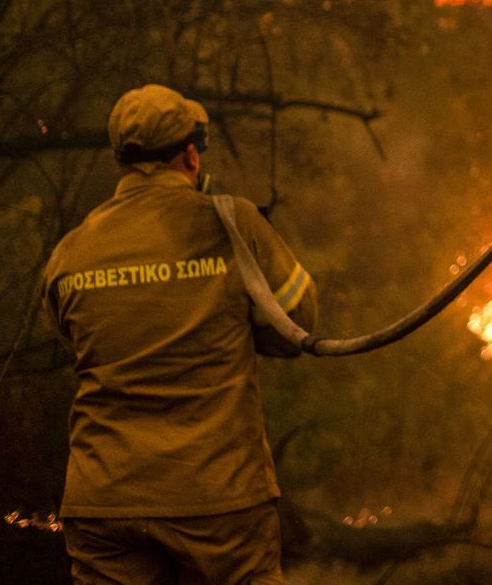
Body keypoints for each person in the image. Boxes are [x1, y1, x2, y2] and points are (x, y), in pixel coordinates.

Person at [43, 85, 318, 584]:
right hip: (219, 498)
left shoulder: (71, 251)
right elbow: (298, 324)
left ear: (121, 161)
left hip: (104, 498)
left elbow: (77, 346)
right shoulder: (233, 223)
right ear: (191, 155)